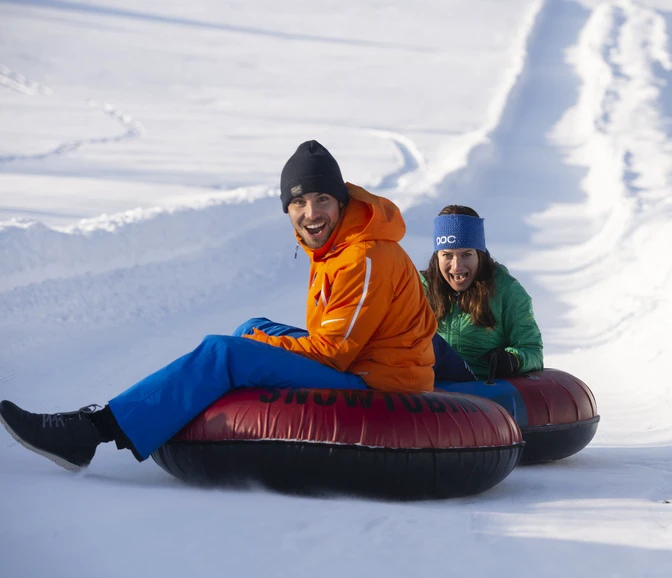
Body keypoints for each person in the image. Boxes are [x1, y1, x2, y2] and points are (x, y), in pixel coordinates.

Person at [0, 140, 437, 472]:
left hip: (379, 384)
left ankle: (90, 432)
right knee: (251, 327)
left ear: (342, 203)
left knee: (224, 351)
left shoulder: (362, 256)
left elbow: (334, 353)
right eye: (299, 202)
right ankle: (184, 400)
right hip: (360, 362)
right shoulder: (335, 248)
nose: (311, 212)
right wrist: (260, 338)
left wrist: (259, 346)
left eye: (322, 199)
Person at [422, 205, 543, 384]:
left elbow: (533, 351)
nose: (457, 266)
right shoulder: (419, 288)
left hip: (477, 389)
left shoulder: (506, 290)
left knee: (433, 343)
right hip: (424, 387)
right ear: (437, 256)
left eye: (466, 255)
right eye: (447, 255)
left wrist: (512, 359)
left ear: (480, 255)